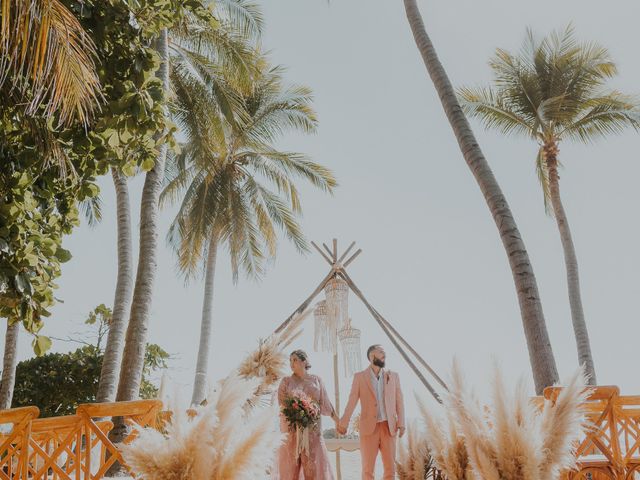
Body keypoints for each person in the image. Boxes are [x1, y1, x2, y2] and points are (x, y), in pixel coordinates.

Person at [338, 344, 405, 480]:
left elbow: (399, 402)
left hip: (389, 427)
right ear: (372, 356)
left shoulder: (394, 376)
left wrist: (401, 423)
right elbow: (352, 401)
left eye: (384, 352)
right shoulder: (359, 377)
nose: (384, 355)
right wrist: (343, 423)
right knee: (368, 470)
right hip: (369, 429)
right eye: (381, 352)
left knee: (390, 470)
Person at [276, 349, 339, 479]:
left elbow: (326, 404)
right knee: (290, 470)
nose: (291, 363)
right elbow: (281, 405)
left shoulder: (316, 380)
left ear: (304, 361)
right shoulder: (286, 382)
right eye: (290, 360)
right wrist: (297, 412)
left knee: (313, 468)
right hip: (292, 432)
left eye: (295, 360)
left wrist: (339, 422)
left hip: (313, 432)